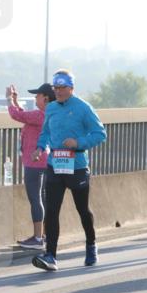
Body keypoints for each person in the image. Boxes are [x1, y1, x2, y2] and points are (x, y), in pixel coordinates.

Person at [31, 69, 107, 272]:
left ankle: (91, 245)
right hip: (55, 165)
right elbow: (46, 131)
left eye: (62, 88)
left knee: (82, 210)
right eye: (55, 88)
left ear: (71, 88)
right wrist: (40, 147)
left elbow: (100, 133)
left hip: (77, 166)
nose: (58, 91)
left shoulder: (83, 108)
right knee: (52, 211)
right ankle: (50, 256)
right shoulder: (52, 108)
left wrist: (78, 142)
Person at [6, 82, 54, 249]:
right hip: (44, 161)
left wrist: (8, 100)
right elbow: (24, 115)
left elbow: (17, 116)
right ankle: (45, 235)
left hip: (34, 162)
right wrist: (16, 101)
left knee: (35, 198)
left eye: (38, 95)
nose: (35, 97)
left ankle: (37, 237)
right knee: (43, 198)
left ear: (46, 98)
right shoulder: (46, 114)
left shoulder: (41, 114)